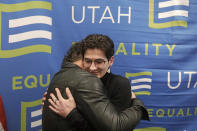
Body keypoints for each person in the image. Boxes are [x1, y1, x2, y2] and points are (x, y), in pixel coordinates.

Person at [42, 34, 149, 131]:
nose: (92, 67)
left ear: (110, 61)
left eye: (99, 62)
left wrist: (72, 115)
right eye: (88, 61)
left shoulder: (119, 84)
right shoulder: (75, 82)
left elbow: (112, 128)